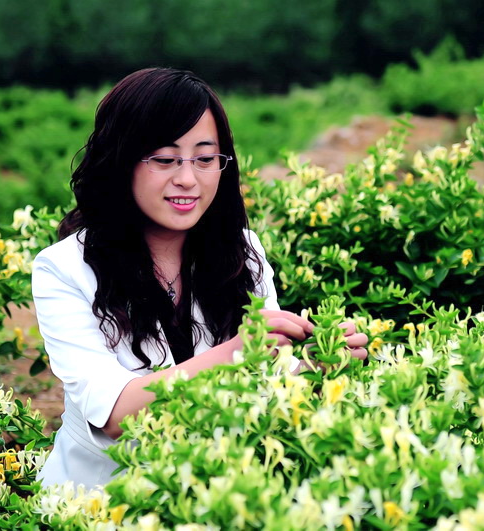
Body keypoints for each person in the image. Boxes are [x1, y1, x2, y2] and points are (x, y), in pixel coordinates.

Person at [32, 68, 368, 489]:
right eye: (165, 159)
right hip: (100, 503)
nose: (188, 179)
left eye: (206, 159)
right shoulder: (63, 268)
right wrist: (240, 351)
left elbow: (265, 388)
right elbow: (115, 413)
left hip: (214, 495)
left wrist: (317, 366)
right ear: (120, 162)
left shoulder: (241, 250)